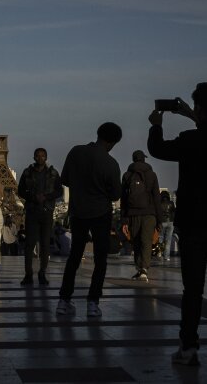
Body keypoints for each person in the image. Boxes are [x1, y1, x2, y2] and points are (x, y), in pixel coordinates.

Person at [148, 82, 207, 367]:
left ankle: (188, 347)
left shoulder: (189, 140)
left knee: (193, 290)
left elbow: (157, 148)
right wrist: (192, 113)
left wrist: (156, 124)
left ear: (200, 108)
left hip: (193, 223)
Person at [57, 122, 122, 317]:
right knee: (100, 259)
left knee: (74, 256)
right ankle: (93, 302)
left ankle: (64, 300)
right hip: (101, 213)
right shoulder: (111, 163)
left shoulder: (76, 152)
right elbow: (115, 195)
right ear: (112, 142)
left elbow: (65, 180)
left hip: (78, 212)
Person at [18, 147, 63, 286]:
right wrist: (33, 197)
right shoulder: (27, 173)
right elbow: (20, 190)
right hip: (32, 211)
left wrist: (46, 197)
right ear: (34, 157)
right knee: (30, 244)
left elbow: (59, 191)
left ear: (46, 157)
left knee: (45, 244)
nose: (40, 158)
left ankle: (42, 272)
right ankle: (28, 274)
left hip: (46, 211)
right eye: (37, 155)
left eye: (42, 156)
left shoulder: (53, 173)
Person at [121, 150, 162, 282]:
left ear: (133, 159)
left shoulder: (127, 175)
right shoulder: (152, 175)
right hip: (149, 213)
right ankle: (144, 269)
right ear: (144, 159)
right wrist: (159, 220)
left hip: (133, 214)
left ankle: (139, 269)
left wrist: (124, 220)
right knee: (147, 241)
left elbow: (124, 199)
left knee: (136, 241)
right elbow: (156, 197)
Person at [158, 191, 176, 261]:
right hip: (170, 222)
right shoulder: (171, 203)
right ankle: (167, 257)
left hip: (162, 222)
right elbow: (174, 212)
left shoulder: (159, 203)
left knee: (161, 238)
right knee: (168, 240)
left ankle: (159, 253)